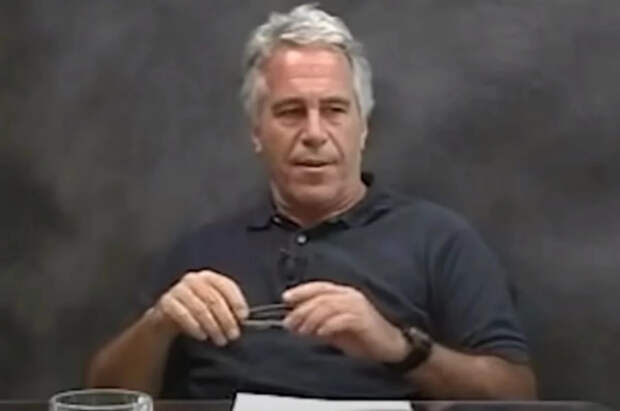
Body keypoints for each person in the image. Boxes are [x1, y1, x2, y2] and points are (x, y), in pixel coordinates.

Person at [86, 4, 536, 400]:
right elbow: (101, 399)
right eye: (291, 112)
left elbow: (516, 395)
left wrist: (399, 348)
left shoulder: (440, 241)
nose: (315, 134)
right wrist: (158, 324)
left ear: (363, 128)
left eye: (334, 110)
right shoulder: (200, 252)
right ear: (256, 132)